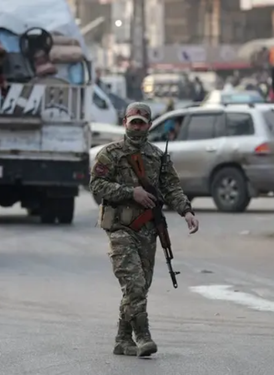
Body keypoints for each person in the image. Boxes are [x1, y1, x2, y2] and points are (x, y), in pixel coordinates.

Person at [89, 102, 200, 357]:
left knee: (140, 286)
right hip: (119, 228)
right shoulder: (111, 154)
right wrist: (131, 192)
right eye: (133, 122)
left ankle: (122, 339)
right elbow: (96, 185)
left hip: (147, 230)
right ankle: (143, 335)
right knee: (135, 284)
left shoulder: (158, 157)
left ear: (149, 125)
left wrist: (187, 211)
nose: (137, 127)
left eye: (142, 122)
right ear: (125, 123)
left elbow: (172, 187)